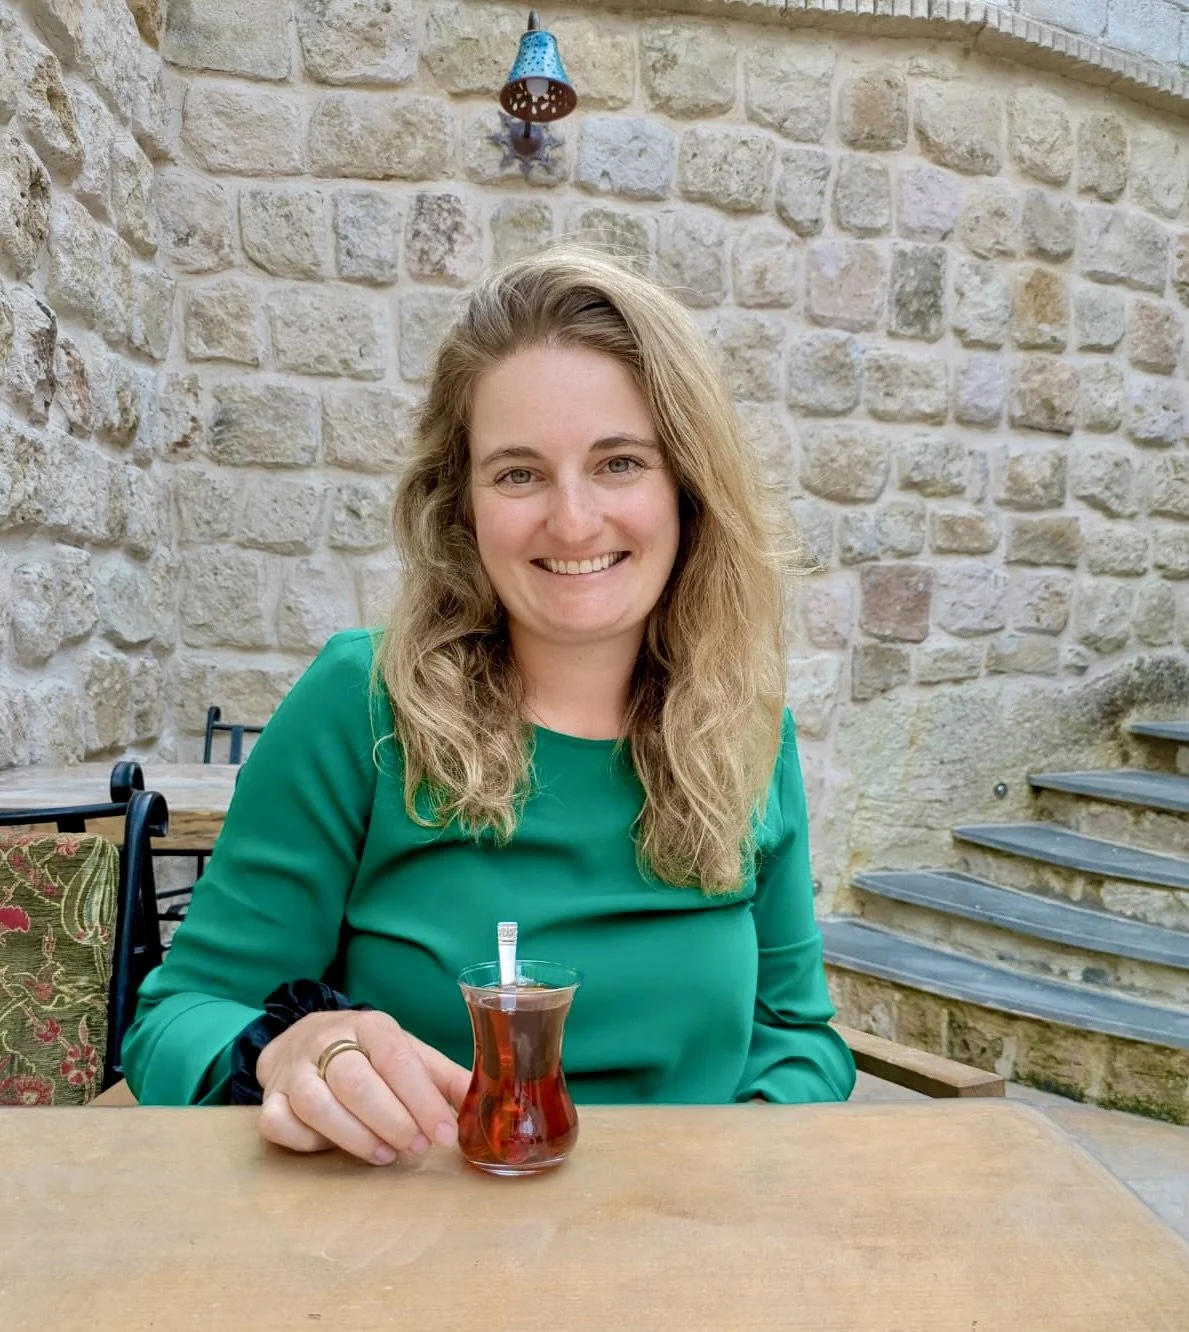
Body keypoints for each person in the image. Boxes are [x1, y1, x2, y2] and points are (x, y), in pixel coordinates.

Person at [122, 247, 856, 1164]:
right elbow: (172, 1023)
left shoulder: (748, 727)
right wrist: (287, 1051)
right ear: (460, 504)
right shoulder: (364, 703)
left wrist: (731, 1171)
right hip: (413, 1258)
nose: (574, 520)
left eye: (620, 462)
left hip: (688, 1261)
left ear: (688, 489)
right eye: (517, 473)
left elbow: (797, 1036)